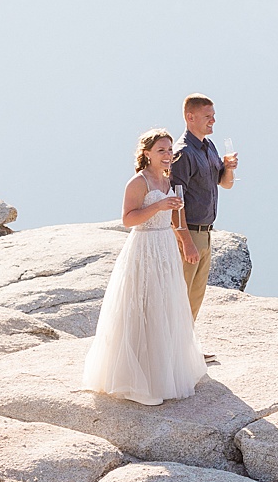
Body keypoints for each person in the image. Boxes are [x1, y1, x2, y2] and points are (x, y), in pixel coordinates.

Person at [79, 128, 206, 404]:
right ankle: (139, 379)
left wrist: (183, 239)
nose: (167, 155)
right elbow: (128, 219)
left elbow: (174, 217)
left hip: (165, 249)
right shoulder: (138, 182)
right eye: (161, 151)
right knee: (142, 306)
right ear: (146, 153)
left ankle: (164, 373)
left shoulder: (166, 180)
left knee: (165, 306)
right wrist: (158, 208)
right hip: (144, 248)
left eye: (170, 151)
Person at [171, 93, 239, 318]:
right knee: (180, 296)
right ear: (190, 117)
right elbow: (175, 203)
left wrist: (228, 168)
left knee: (195, 297)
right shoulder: (182, 153)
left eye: (213, 115)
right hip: (189, 232)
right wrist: (186, 242)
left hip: (206, 233)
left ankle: (186, 349)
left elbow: (225, 184)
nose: (213, 121)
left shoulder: (208, 146)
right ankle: (173, 350)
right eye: (207, 116)